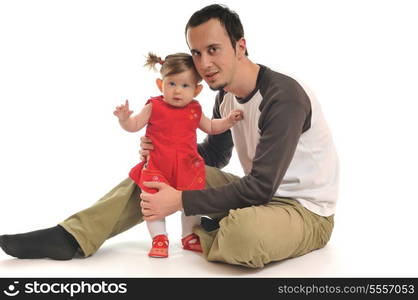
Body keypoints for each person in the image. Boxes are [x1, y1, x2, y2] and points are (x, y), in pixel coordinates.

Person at [0, 4, 338, 268]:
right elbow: (214, 157)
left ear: (240, 46)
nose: (204, 63)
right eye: (196, 52)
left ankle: (214, 227)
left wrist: (181, 201)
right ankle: (73, 236)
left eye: (213, 49)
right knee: (157, 172)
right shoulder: (226, 96)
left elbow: (263, 186)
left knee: (243, 237)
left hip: (304, 212)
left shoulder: (283, 98)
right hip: (257, 200)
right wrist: (165, 150)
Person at [113, 52, 243, 258]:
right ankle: (159, 238)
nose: (177, 91)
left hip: (187, 166)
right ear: (160, 84)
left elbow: (210, 126)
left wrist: (228, 121)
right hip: (158, 167)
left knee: (192, 201)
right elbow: (134, 125)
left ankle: (189, 235)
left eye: (185, 86)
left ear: (197, 90)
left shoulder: (194, 109)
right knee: (152, 202)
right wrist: (124, 119)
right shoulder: (154, 106)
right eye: (171, 84)